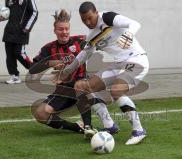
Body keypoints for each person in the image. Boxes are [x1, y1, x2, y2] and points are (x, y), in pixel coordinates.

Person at [54, 1, 149, 145]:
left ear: (96, 12)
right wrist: (67, 71)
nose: (87, 22)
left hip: (137, 60)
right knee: (82, 87)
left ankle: (139, 130)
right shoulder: (92, 35)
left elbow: (135, 24)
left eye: (90, 18)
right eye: (83, 19)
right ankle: (109, 126)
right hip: (118, 64)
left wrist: (129, 34)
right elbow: (83, 55)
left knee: (116, 91)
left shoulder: (107, 18)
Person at [29, 9, 119, 137]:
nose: (64, 32)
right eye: (60, 29)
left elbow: (101, 38)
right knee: (40, 114)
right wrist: (51, 62)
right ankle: (77, 128)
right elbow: (32, 69)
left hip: (83, 88)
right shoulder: (49, 48)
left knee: (83, 85)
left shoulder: (80, 40)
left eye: (66, 29)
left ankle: (89, 126)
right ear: (55, 30)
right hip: (63, 91)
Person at [0, 0, 38, 84]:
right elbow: (6, 13)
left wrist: (28, 27)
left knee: (19, 53)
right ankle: (14, 76)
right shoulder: (8, 0)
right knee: (10, 55)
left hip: (22, 31)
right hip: (9, 31)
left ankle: (33, 69)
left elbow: (34, 13)